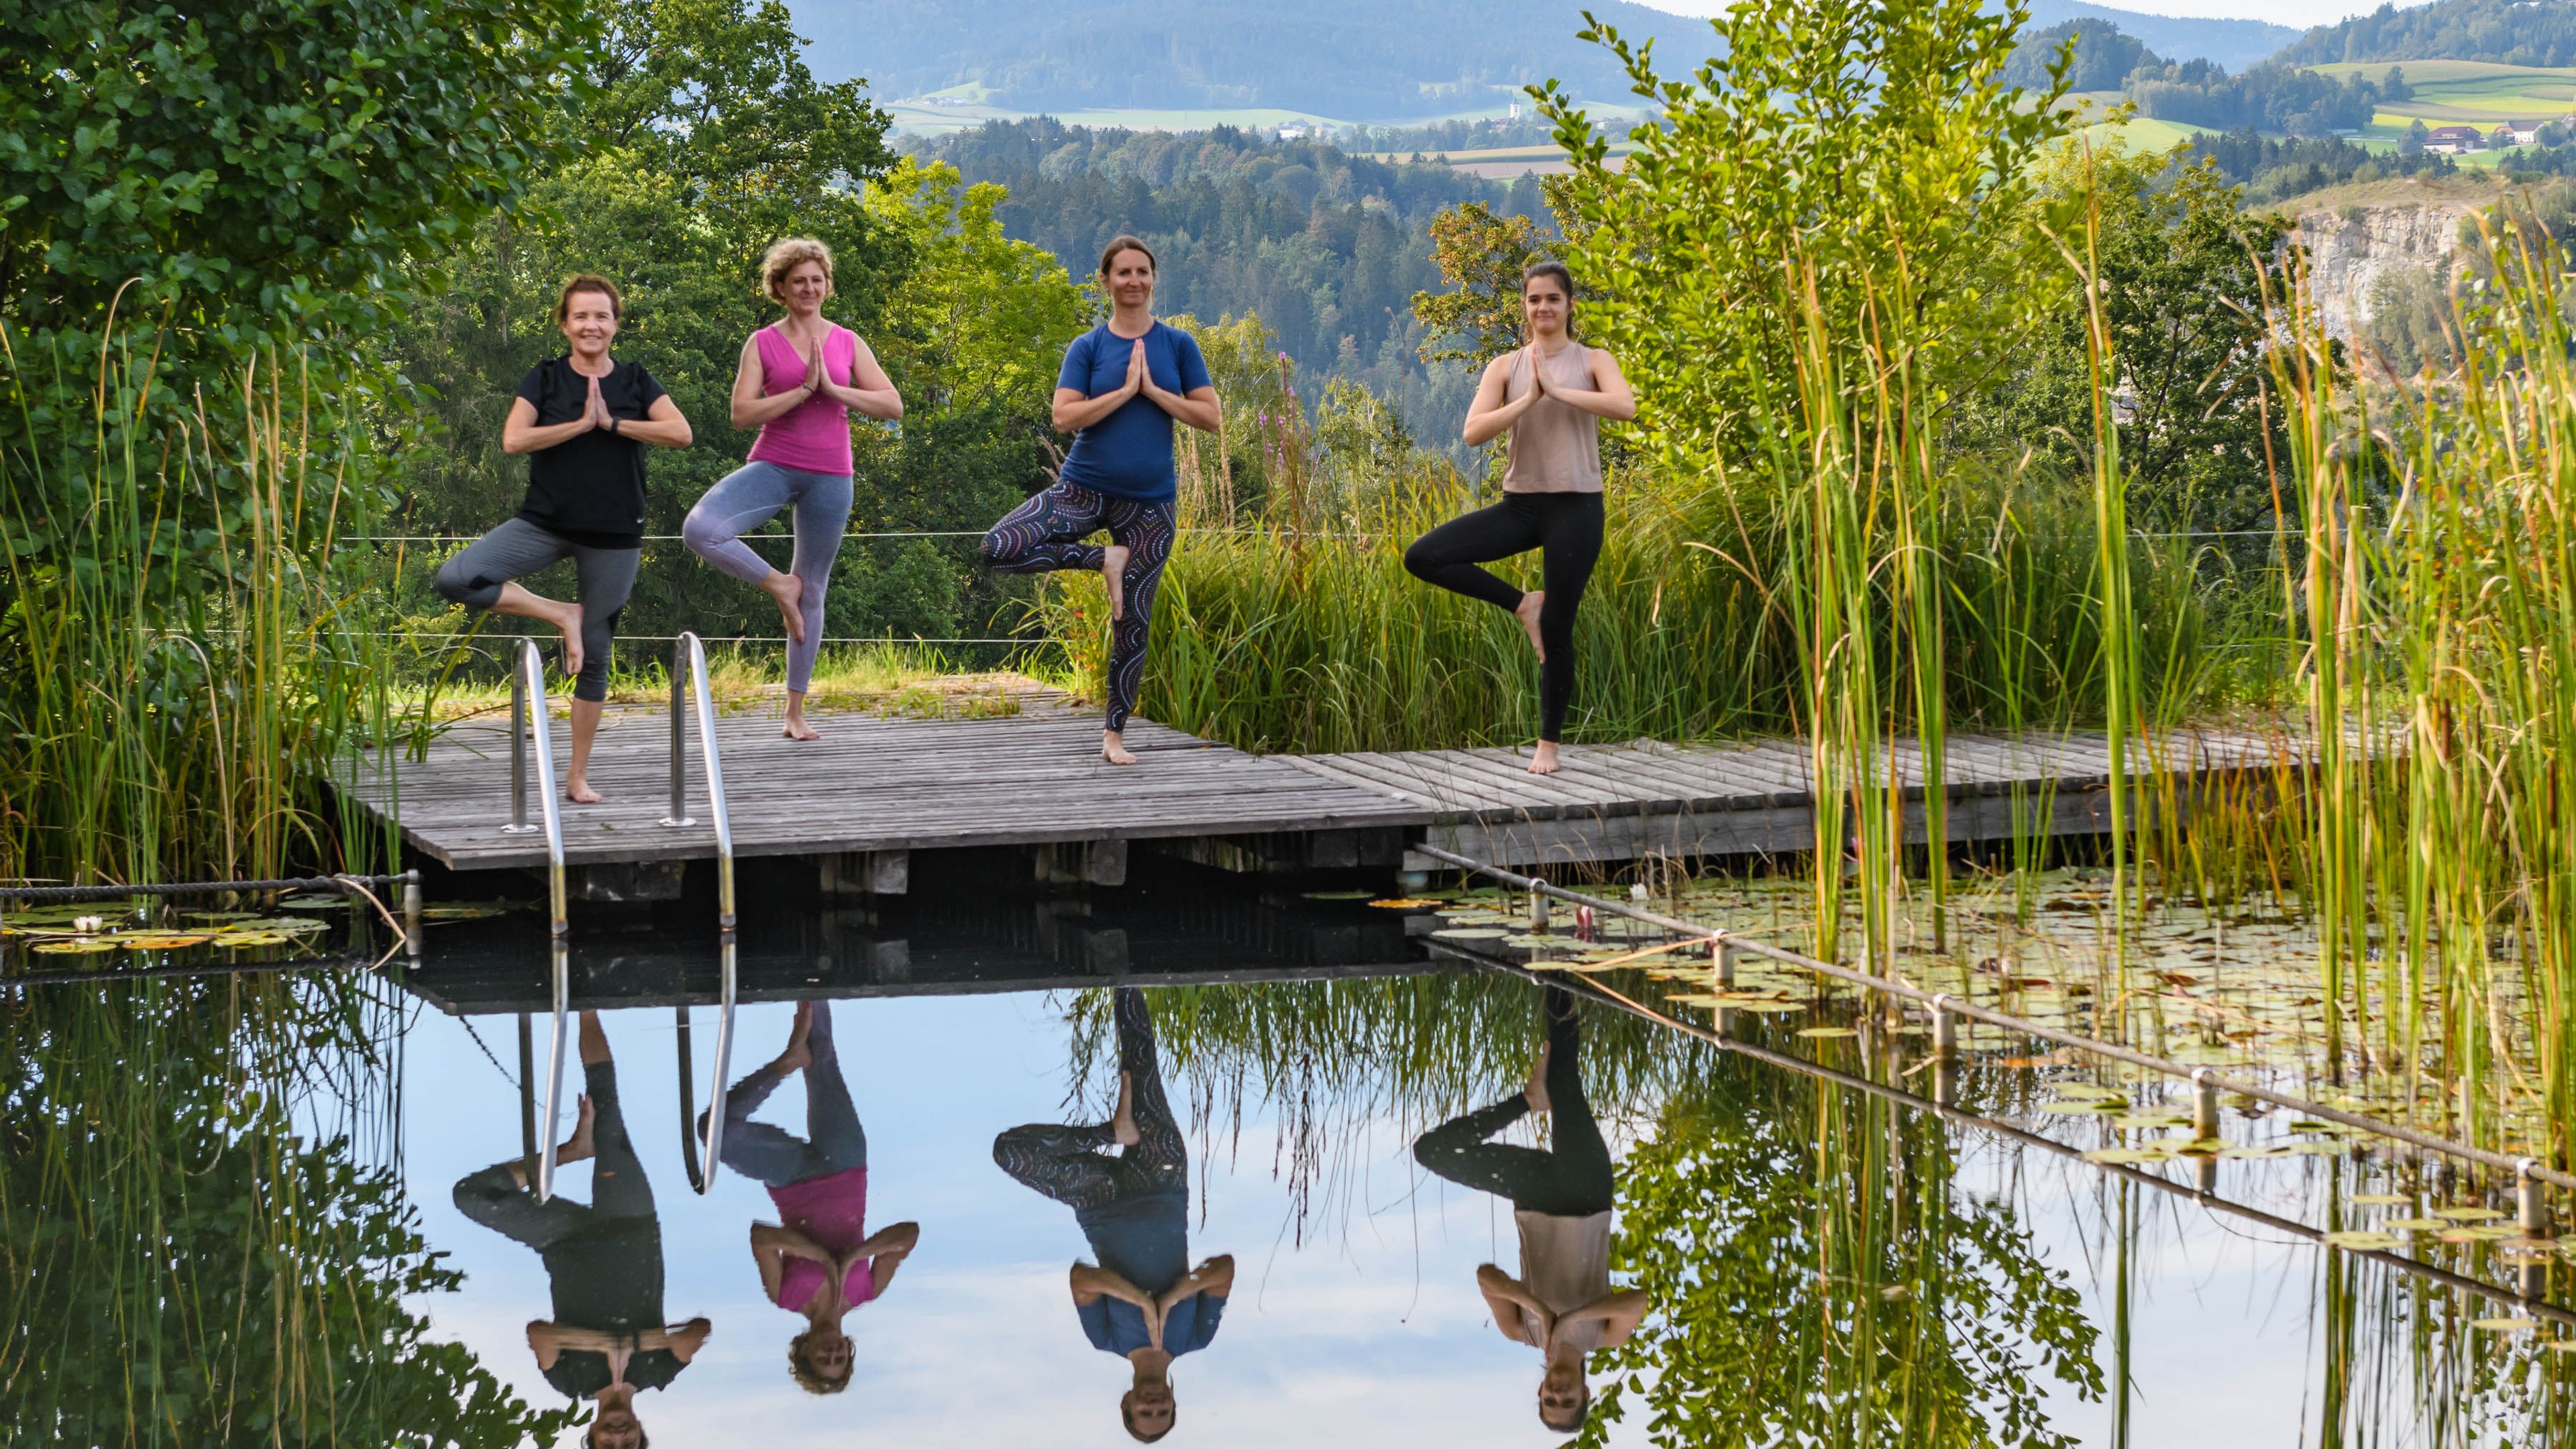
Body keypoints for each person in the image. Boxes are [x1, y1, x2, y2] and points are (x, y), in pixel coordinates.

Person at [435, 274, 695, 803]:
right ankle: (561, 613)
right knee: (457, 577)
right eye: (581, 316)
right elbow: (514, 439)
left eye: (601, 316)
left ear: (615, 324)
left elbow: (680, 433)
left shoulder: (637, 380)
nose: (591, 325)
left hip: (616, 534)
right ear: (565, 324)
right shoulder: (546, 377)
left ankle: (577, 777)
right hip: (544, 524)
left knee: (595, 656)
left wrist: (614, 424)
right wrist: (580, 424)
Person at [981, 235, 1220, 765]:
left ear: (1153, 279)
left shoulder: (1178, 345)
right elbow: (1064, 417)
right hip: (1081, 490)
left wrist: (1154, 393)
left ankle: (1114, 734)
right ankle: (1103, 560)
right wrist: (1121, 393)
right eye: (1123, 273)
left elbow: (1211, 417)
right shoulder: (1088, 347)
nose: (1133, 281)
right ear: (1106, 281)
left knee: (1132, 621)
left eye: (1142, 271)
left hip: (1150, 505)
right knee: (998, 546)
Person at [1403, 260, 1635, 776]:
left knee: (1559, 628)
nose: (1543, 308)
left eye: (1553, 298)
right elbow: (1473, 432)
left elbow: (1624, 406)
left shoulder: (1594, 359)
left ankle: (1548, 746)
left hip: (1577, 506)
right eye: (1534, 300)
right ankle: (1520, 603)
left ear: (1570, 305)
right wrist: (1530, 398)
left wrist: (1561, 392)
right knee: (1424, 556)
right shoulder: (1505, 367)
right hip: (1522, 505)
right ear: (1524, 307)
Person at [453, 1011, 710, 1448]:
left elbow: (540, 1334)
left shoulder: (570, 1382)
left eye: (606, 1447)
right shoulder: (656, 1374)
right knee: (606, 1104)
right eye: (627, 1447)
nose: (617, 1437)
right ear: (640, 1434)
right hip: (630, 1224)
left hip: (563, 1241)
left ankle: (573, 1151)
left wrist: (614, 1342)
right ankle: (586, 1003)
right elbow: (698, 1331)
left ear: (590, 1436)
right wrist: (633, 1343)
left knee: (470, 1196)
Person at [683, 237, 903, 741]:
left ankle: (795, 713)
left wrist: (832, 390)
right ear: (780, 288)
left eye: (816, 279)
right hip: (775, 465)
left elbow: (893, 405)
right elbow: (741, 414)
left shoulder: (847, 340)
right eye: (798, 280)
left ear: (827, 285)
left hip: (832, 475)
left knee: (816, 590)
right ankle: (778, 585)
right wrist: (800, 393)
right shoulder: (762, 342)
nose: (809, 288)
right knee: (702, 529)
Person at [992, 986, 1232, 1442]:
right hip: (1163, 1181)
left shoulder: (1106, 1339)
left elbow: (1082, 1278)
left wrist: (1144, 1302)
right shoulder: (1195, 1338)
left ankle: (1110, 1131)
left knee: (1009, 1153)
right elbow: (1223, 1270)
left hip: (1098, 1201)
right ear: (1173, 1403)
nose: (1154, 1406)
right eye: (1162, 1413)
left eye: (1145, 1412)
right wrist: (1178, 1292)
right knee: (1139, 1061)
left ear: (1126, 1402)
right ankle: (1126, 970)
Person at [1411, 984, 1647, 1435]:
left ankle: (1526, 1101)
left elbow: (1487, 1277)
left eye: (1549, 1399)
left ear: (1540, 1392)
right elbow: (1637, 1302)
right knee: (1564, 1075)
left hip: (1534, 1196)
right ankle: (1561, 967)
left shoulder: (1522, 1332)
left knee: (1433, 1152)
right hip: (1587, 1194)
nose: (1558, 1391)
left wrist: (1537, 1307)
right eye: (1568, 1399)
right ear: (1585, 1391)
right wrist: (1573, 1320)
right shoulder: (1604, 1336)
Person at [706, 1000, 920, 1395]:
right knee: (823, 1055)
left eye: (824, 1359)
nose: (833, 1353)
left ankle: (786, 1063)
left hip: (791, 1179)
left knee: (714, 1134)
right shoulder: (866, 1291)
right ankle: (813, 978)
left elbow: (762, 1237)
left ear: (803, 1351)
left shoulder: (785, 1297)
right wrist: (855, 1256)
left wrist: (822, 1256)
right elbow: (909, 1234)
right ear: (849, 1351)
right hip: (846, 1165)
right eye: (841, 1359)